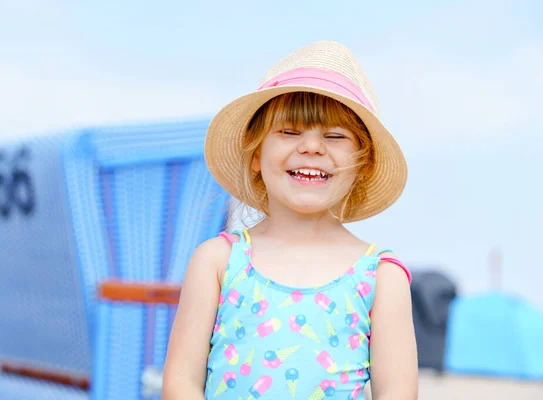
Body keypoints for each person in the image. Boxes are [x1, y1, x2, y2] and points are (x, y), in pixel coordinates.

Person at [162, 41, 418, 400]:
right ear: (255, 153)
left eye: (334, 136)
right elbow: (180, 383)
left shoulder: (381, 276)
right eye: (289, 132)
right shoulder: (218, 261)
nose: (312, 147)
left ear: (363, 163)